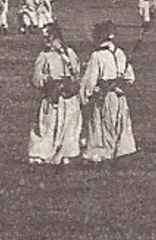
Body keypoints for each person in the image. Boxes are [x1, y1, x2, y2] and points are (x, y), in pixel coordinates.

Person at [79, 21, 136, 163]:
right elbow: (130, 77)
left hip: (105, 96)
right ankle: (119, 152)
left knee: (102, 125)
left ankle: (102, 155)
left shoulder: (97, 56)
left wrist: (85, 97)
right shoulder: (121, 54)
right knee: (119, 123)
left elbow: (89, 80)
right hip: (120, 96)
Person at [27, 26, 81, 165]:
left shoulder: (69, 53)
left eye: (48, 38)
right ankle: (40, 155)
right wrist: (47, 81)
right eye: (44, 38)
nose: (46, 41)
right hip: (52, 96)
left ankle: (65, 153)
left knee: (69, 125)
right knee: (47, 125)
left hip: (68, 96)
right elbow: (36, 79)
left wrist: (71, 84)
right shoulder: (44, 56)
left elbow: (77, 73)